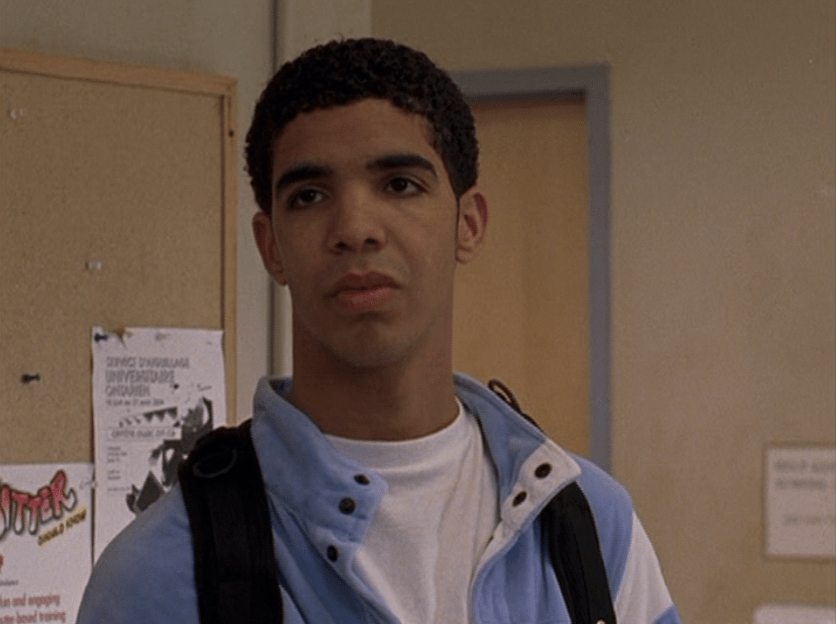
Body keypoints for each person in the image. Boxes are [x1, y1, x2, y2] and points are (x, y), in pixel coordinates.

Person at [77, 38, 681, 624]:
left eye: (399, 184)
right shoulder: (161, 573)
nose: (355, 228)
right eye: (309, 195)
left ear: (468, 224)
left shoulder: (589, 526)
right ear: (271, 247)